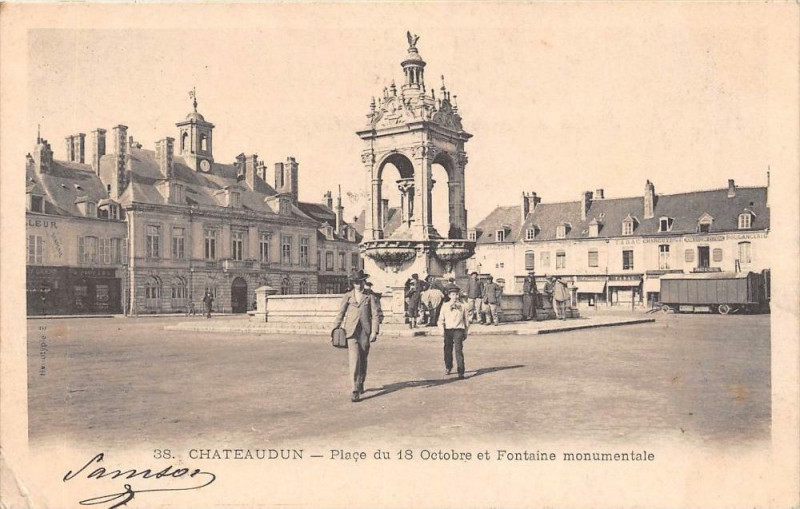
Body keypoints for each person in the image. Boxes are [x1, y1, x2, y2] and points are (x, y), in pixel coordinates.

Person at [332, 269, 381, 403]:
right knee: (354, 360)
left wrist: (374, 332)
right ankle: (354, 389)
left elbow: (375, 315)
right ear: (352, 283)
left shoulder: (370, 296)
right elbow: (341, 313)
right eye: (356, 283)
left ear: (364, 282)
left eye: (360, 282)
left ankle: (360, 382)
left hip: (365, 332)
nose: (358, 285)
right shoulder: (348, 296)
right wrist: (335, 328)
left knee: (363, 359)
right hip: (351, 332)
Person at [439, 284, 470, 379]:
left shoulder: (463, 306)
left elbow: (466, 320)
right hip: (448, 330)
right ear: (449, 295)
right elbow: (441, 320)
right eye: (453, 294)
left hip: (459, 330)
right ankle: (448, 367)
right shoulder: (445, 306)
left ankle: (461, 371)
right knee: (447, 350)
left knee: (458, 350)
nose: (455, 297)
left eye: (456, 294)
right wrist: (441, 331)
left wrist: (466, 332)